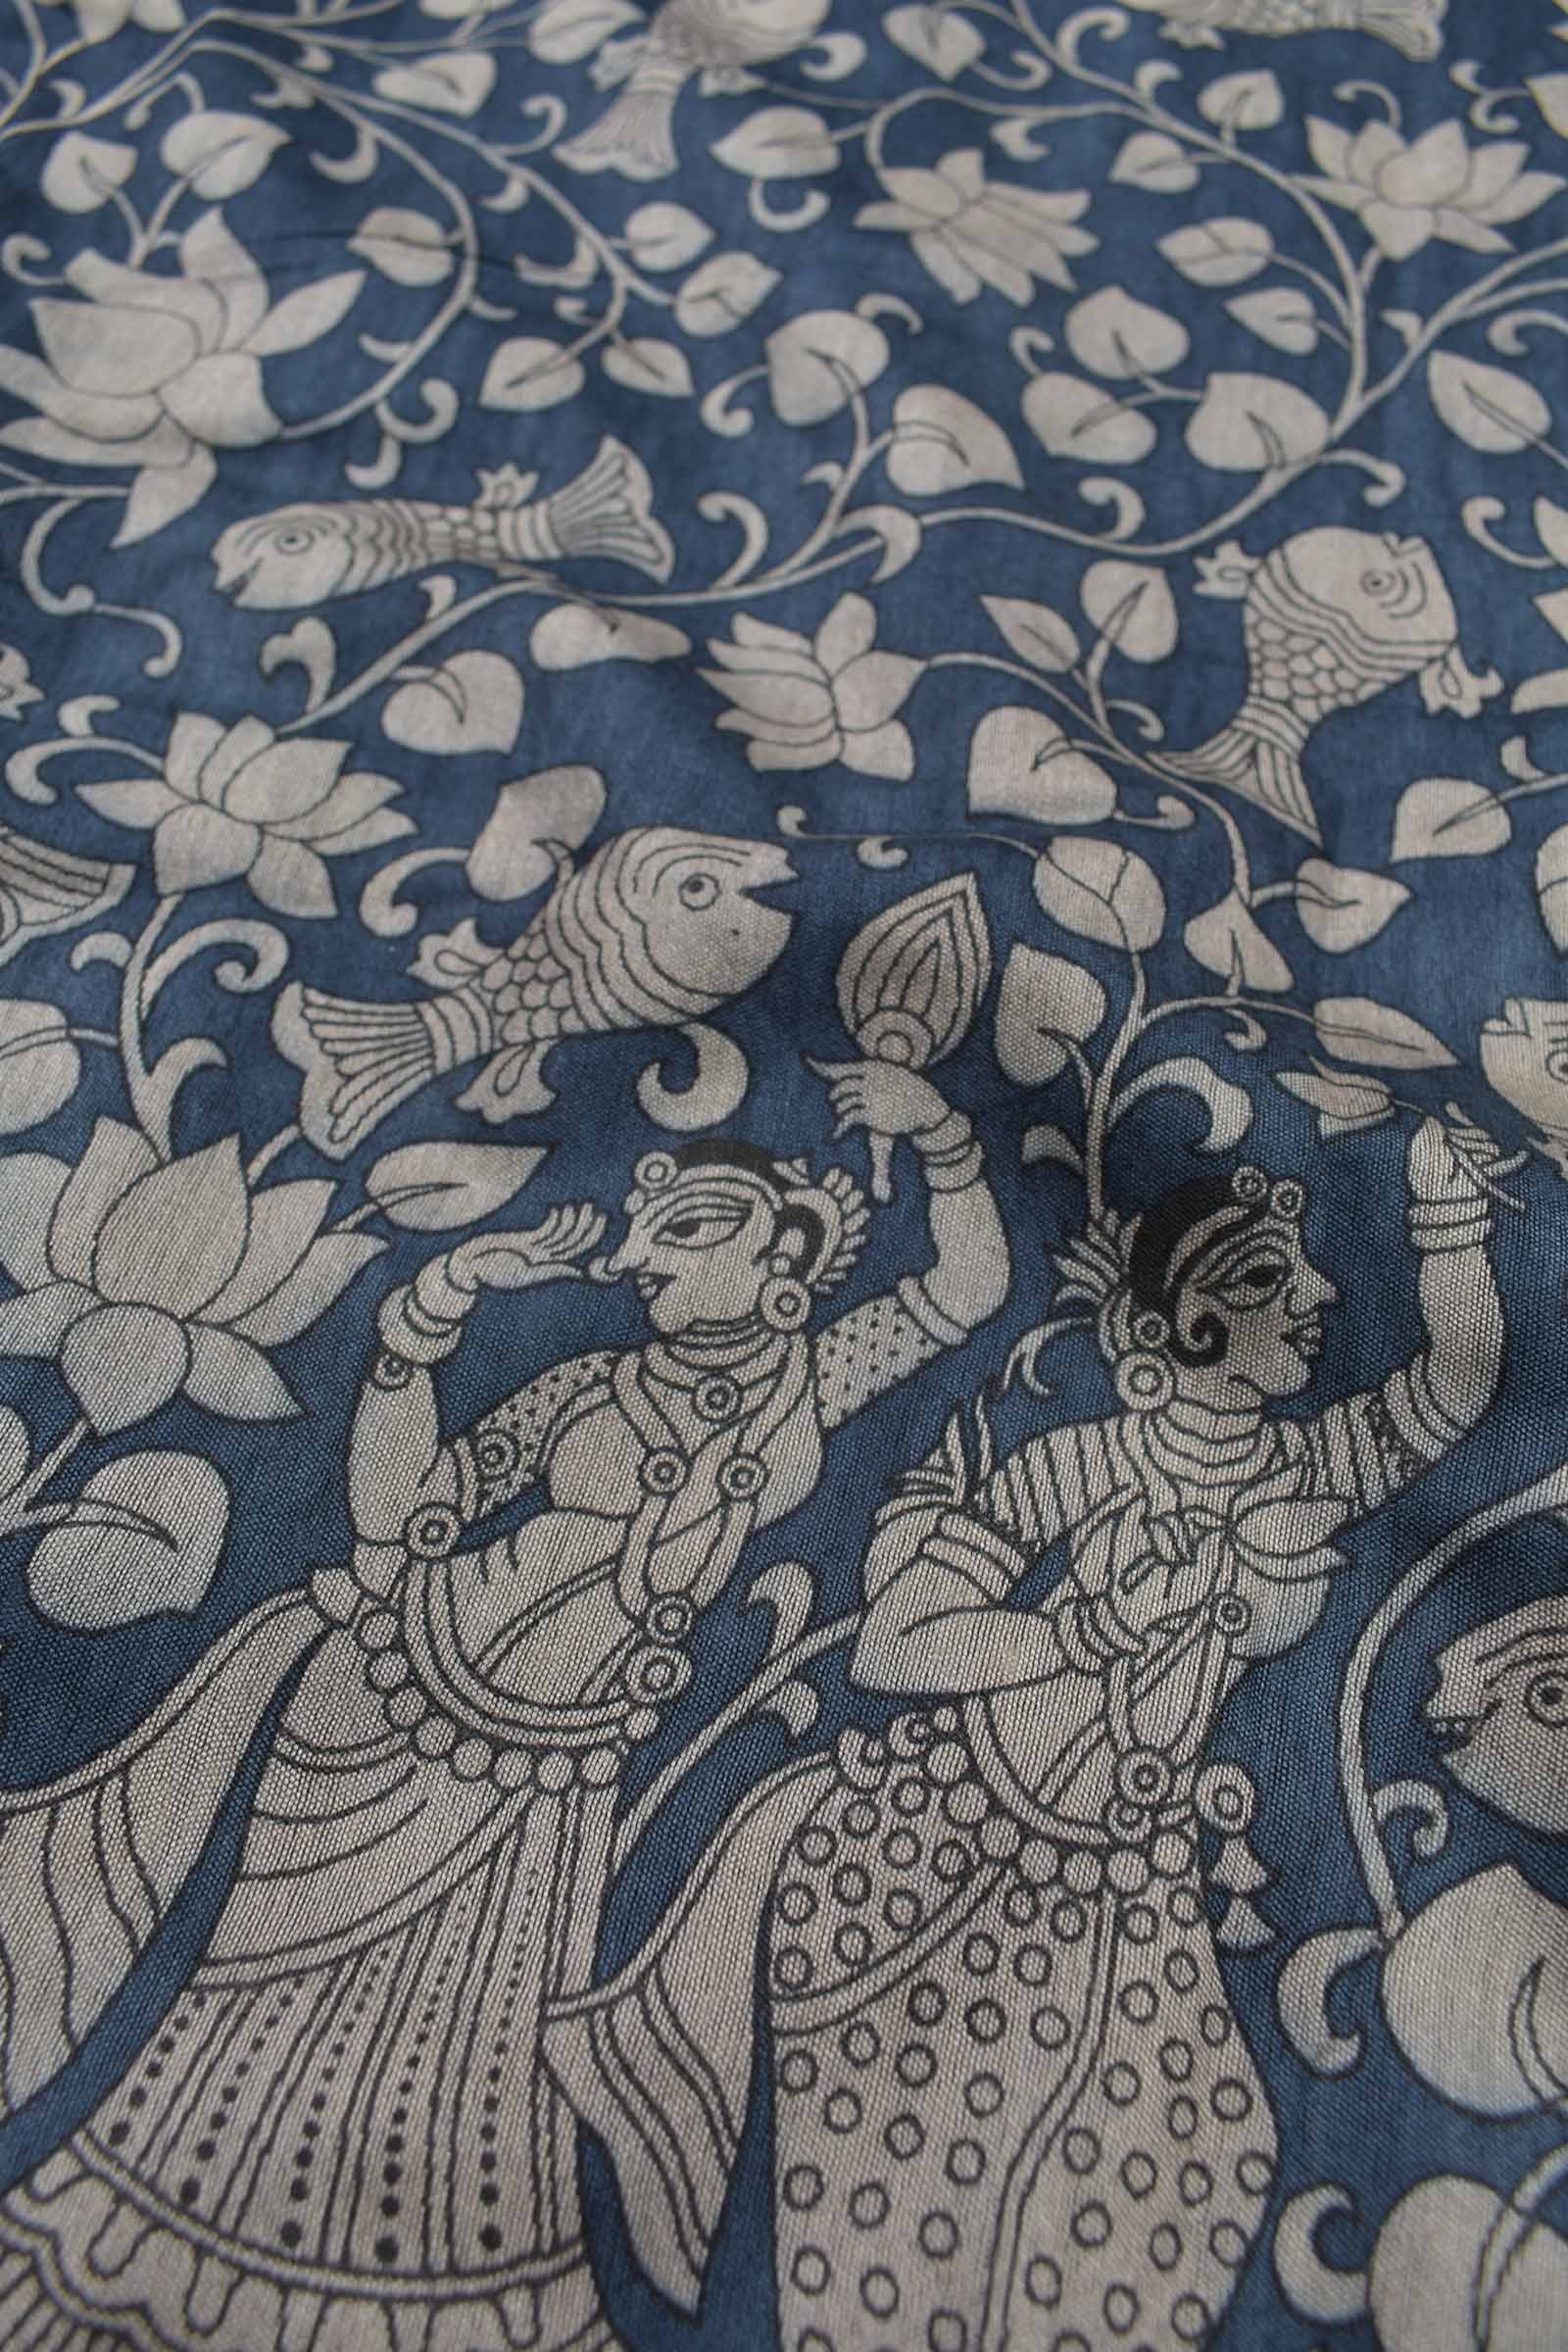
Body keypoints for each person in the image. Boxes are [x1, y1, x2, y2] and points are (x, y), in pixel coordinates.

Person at [0, 1057, 1006, 2352]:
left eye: (688, 1231)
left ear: (783, 1261)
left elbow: (966, 1291)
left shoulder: (812, 1382)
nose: (643, 1258)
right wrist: (434, 1311)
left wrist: (942, 1136)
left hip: (559, 1774)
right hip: (393, 1698)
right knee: (248, 1992)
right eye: (644, 1234)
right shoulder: (585, 1386)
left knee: (454, 2065)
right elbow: (412, 1511)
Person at [543, 1116, 1505, 2352]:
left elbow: (1452, 1394)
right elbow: (897, 1646)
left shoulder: (1309, 1473)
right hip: (935, 1852)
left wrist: (1448, 1223)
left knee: (1199, 2158)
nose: (1319, 1297)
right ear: (1182, 1328)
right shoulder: (1073, 1466)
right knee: (892, 2197)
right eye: (1269, 1279)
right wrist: (1087, 1631)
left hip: (1130, 1888)